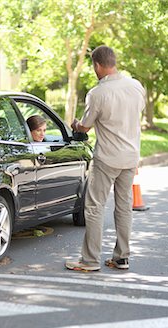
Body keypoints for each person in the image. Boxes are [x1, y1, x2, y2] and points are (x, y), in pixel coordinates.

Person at [66, 45, 146, 272]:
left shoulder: (97, 93)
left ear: (97, 65)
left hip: (107, 159)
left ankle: (90, 260)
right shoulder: (136, 86)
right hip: (131, 157)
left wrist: (76, 125)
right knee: (124, 207)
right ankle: (122, 258)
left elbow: (85, 127)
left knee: (94, 207)